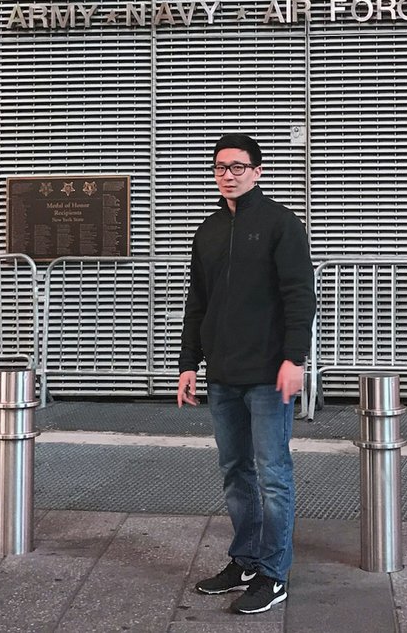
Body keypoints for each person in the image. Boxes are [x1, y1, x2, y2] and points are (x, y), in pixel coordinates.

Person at [177, 133, 315, 616]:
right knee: (235, 471)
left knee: (273, 474)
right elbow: (199, 302)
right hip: (222, 374)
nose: (228, 174)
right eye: (220, 167)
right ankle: (246, 561)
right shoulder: (209, 230)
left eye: (238, 167)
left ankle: (274, 574)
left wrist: (293, 359)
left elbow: (301, 296)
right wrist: (188, 363)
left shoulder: (281, 225)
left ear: (257, 171)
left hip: (267, 374)